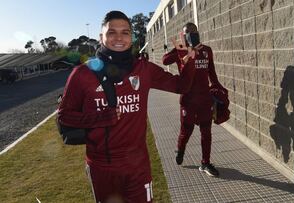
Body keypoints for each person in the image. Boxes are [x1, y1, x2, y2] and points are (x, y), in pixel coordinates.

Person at [57, 11, 195, 203]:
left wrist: (186, 61)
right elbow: (64, 116)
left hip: (138, 165)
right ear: (101, 37)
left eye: (125, 32)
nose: (119, 38)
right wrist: (99, 119)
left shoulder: (144, 69)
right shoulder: (82, 74)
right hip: (102, 167)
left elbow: (182, 86)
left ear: (131, 37)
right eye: (112, 32)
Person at [162, 22, 226, 177]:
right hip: (188, 99)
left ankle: (205, 163)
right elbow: (164, 61)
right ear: (183, 35)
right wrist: (181, 49)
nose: (190, 33)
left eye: (193, 31)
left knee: (206, 132)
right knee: (186, 131)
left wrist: (219, 89)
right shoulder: (181, 50)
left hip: (205, 99)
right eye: (186, 32)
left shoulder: (206, 50)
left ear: (198, 32)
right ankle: (180, 149)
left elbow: (212, 73)